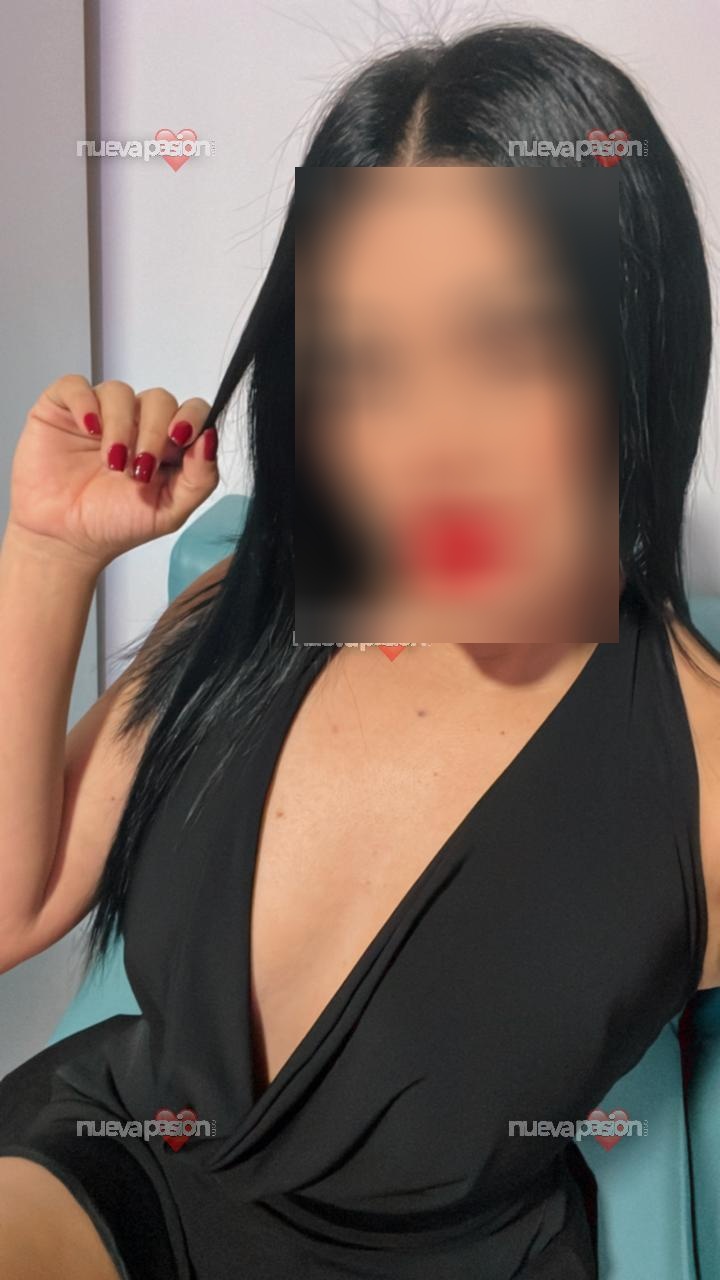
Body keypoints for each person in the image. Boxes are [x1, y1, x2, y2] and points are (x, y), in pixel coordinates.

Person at [0, 21, 718, 1280]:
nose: (430, 444)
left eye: (505, 345)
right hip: (119, 1169)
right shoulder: (245, 611)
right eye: (366, 363)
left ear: (631, 343)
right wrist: (48, 558)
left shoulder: (702, 763)